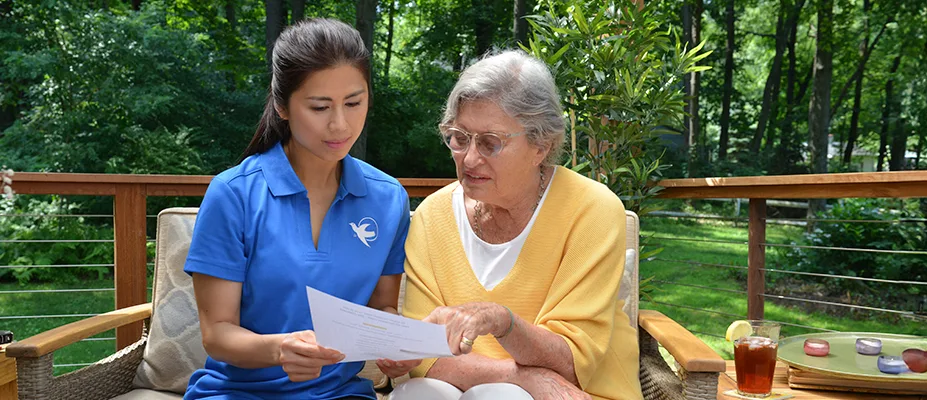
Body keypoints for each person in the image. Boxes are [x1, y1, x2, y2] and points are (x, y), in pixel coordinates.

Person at [382, 50, 642, 400]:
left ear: (541, 146)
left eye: (490, 143)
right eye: (459, 138)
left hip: (576, 393)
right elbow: (424, 361)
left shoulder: (592, 210)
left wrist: (502, 321)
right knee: (418, 393)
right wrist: (521, 378)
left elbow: (573, 364)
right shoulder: (433, 215)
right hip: (470, 390)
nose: (470, 159)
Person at [183, 18, 411, 400]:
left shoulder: (389, 199)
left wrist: (392, 343)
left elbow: (382, 306)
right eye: (320, 107)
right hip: (236, 393)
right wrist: (279, 350)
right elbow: (218, 333)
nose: (341, 124)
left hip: (341, 393)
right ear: (281, 106)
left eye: (354, 102)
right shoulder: (232, 194)